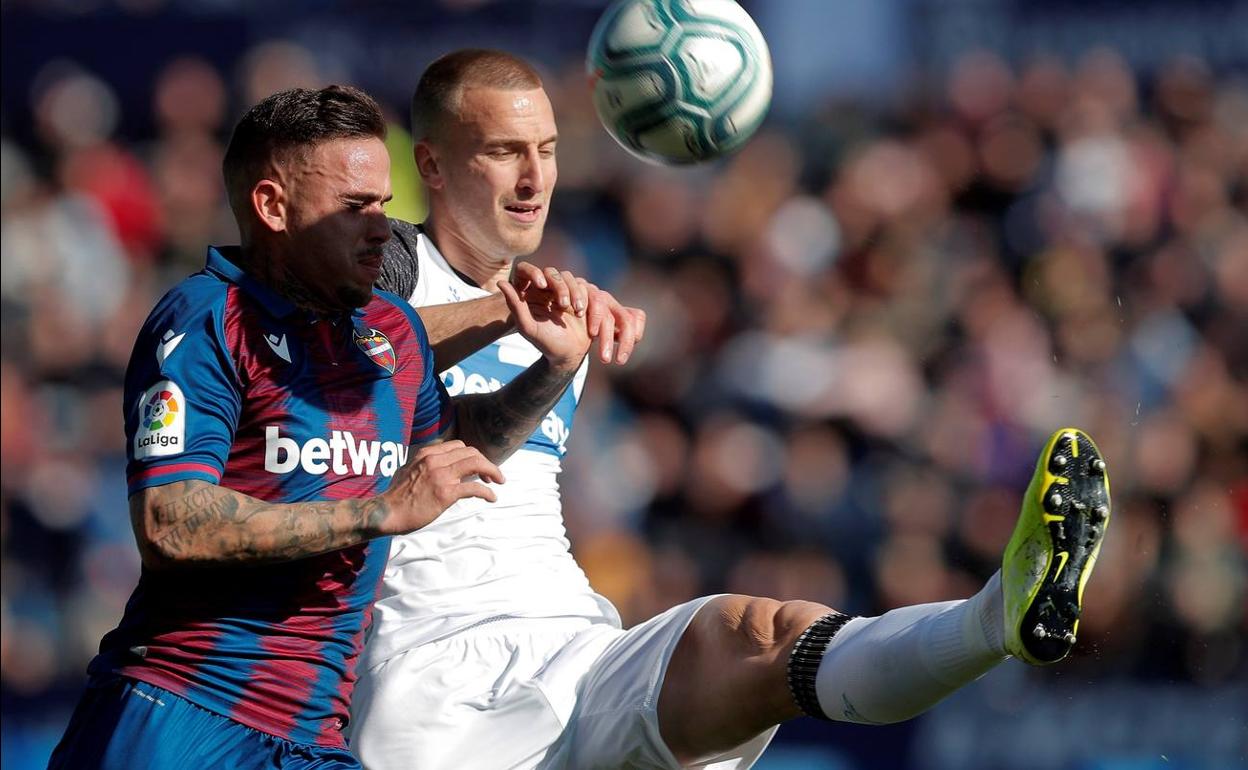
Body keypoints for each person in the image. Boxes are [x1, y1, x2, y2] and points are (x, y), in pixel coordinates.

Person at [349, 49, 1115, 770]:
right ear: (432, 164)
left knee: (761, 635)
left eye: (547, 150)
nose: (534, 177)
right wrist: (504, 317)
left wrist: (555, 358)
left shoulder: (554, 311)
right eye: (504, 151)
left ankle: (995, 618)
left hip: (574, 642)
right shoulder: (386, 266)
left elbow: (482, 445)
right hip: (434, 681)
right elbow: (354, 358)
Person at [49, 84, 601, 770]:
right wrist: (376, 511)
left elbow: (454, 447)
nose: (381, 227)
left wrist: (552, 367)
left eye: (383, 203)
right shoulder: (206, 318)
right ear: (273, 206)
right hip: (181, 713)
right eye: (353, 207)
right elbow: (172, 522)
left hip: (311, 736)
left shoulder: (387, 332)